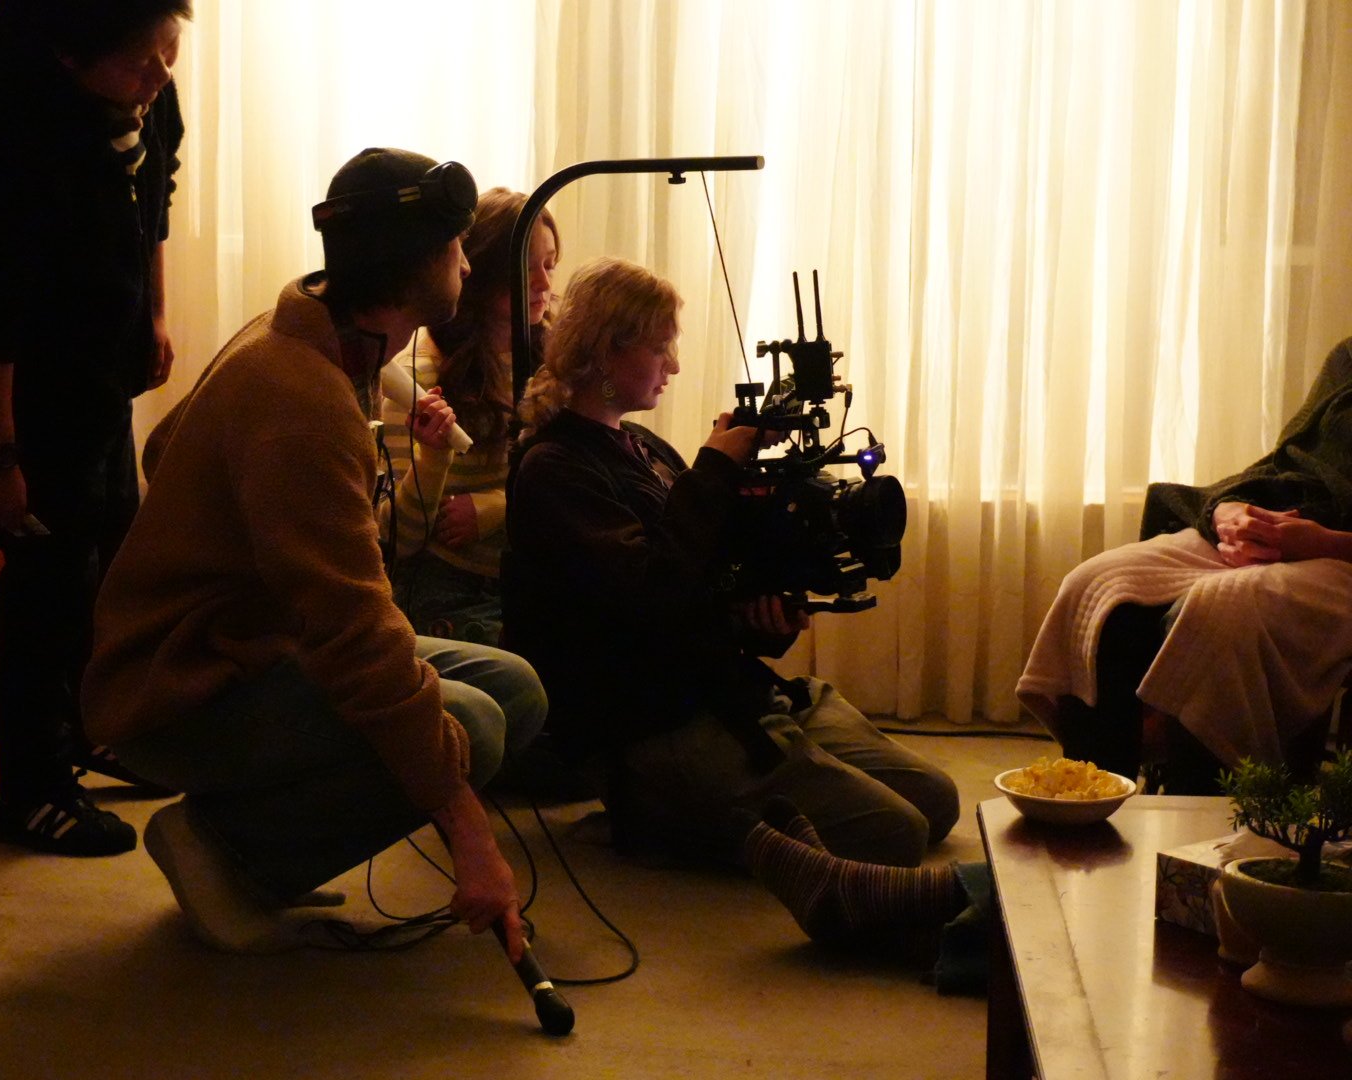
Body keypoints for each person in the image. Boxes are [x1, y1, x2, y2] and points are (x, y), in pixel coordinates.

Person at [81, 149, 548, 958]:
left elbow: (164, 449)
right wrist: (470, 834)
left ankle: (255, 834)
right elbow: (354, 636)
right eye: (453, 247)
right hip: (178, 695)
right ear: (411, 267)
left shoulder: (313, 336)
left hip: (250, 653)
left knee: (516, 687)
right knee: (468, 722)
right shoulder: (300, 394)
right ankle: (230, 853)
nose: (468, 264)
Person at [504, 257, 960, 870]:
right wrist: (714, 469)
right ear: (607, 352)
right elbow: (649, 595)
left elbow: (703, 576)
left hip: (722, 689)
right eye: (661, 347)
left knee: (938, 801)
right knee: (892, 835)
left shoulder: (645, 448)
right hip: (648, 721)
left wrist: (757, 619)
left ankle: (746, 779)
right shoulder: (554, 469)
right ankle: (651, 809)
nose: (674, 365)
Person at [0, 0, 190, 856]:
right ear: (67, 57)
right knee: (46, 572)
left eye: (169, 53)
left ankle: (85, 733)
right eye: (138, 64)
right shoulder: (0, 136)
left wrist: (153, 314)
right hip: (23, 378)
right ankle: (29, 791)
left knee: (111, 541)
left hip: (100, 359)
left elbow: (154, 200)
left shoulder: (149, 92)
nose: (158, 78)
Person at [1017, 337, 1352, 791]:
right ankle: (1091, 806)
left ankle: (1196, 833)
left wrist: (1325, 541)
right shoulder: (1348, 354)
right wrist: (1228, 514)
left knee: (1215, 614)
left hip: (1338, 548)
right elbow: (1290, 464)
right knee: (1098, 587)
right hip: (1293, 518)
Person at [376, 189, 559, 646]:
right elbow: (401, 541)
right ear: (481, 270)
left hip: (534, 570)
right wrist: (433, 457)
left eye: (550, 265)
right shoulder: (420, 374)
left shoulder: (555, 356)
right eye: (526, 267)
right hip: (452, 589)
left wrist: (499, 506)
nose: (543, 284)